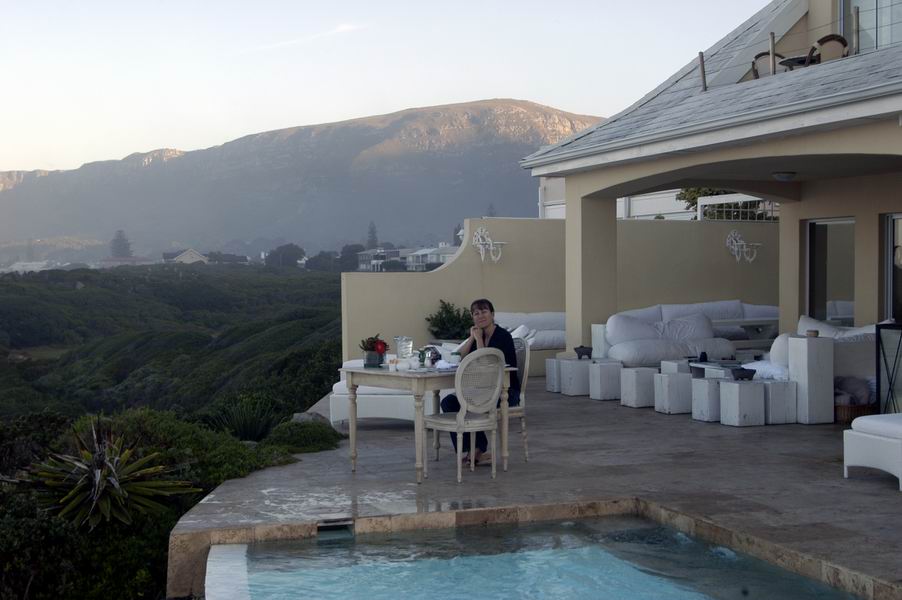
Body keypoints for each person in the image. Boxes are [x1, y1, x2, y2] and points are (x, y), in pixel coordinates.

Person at [440, 298, 520, 465]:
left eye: (484, 311)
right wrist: (471, 339)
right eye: (476, 313)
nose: (480, 316)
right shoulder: (478, 335)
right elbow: (459, 358)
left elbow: (485, 362)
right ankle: (476, 448)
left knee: (469, 403)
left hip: (505, 392)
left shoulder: (503, 336)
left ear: (492, 314)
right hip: (482, 391)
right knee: (449, 403)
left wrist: (479, 340)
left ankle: (476, 450)